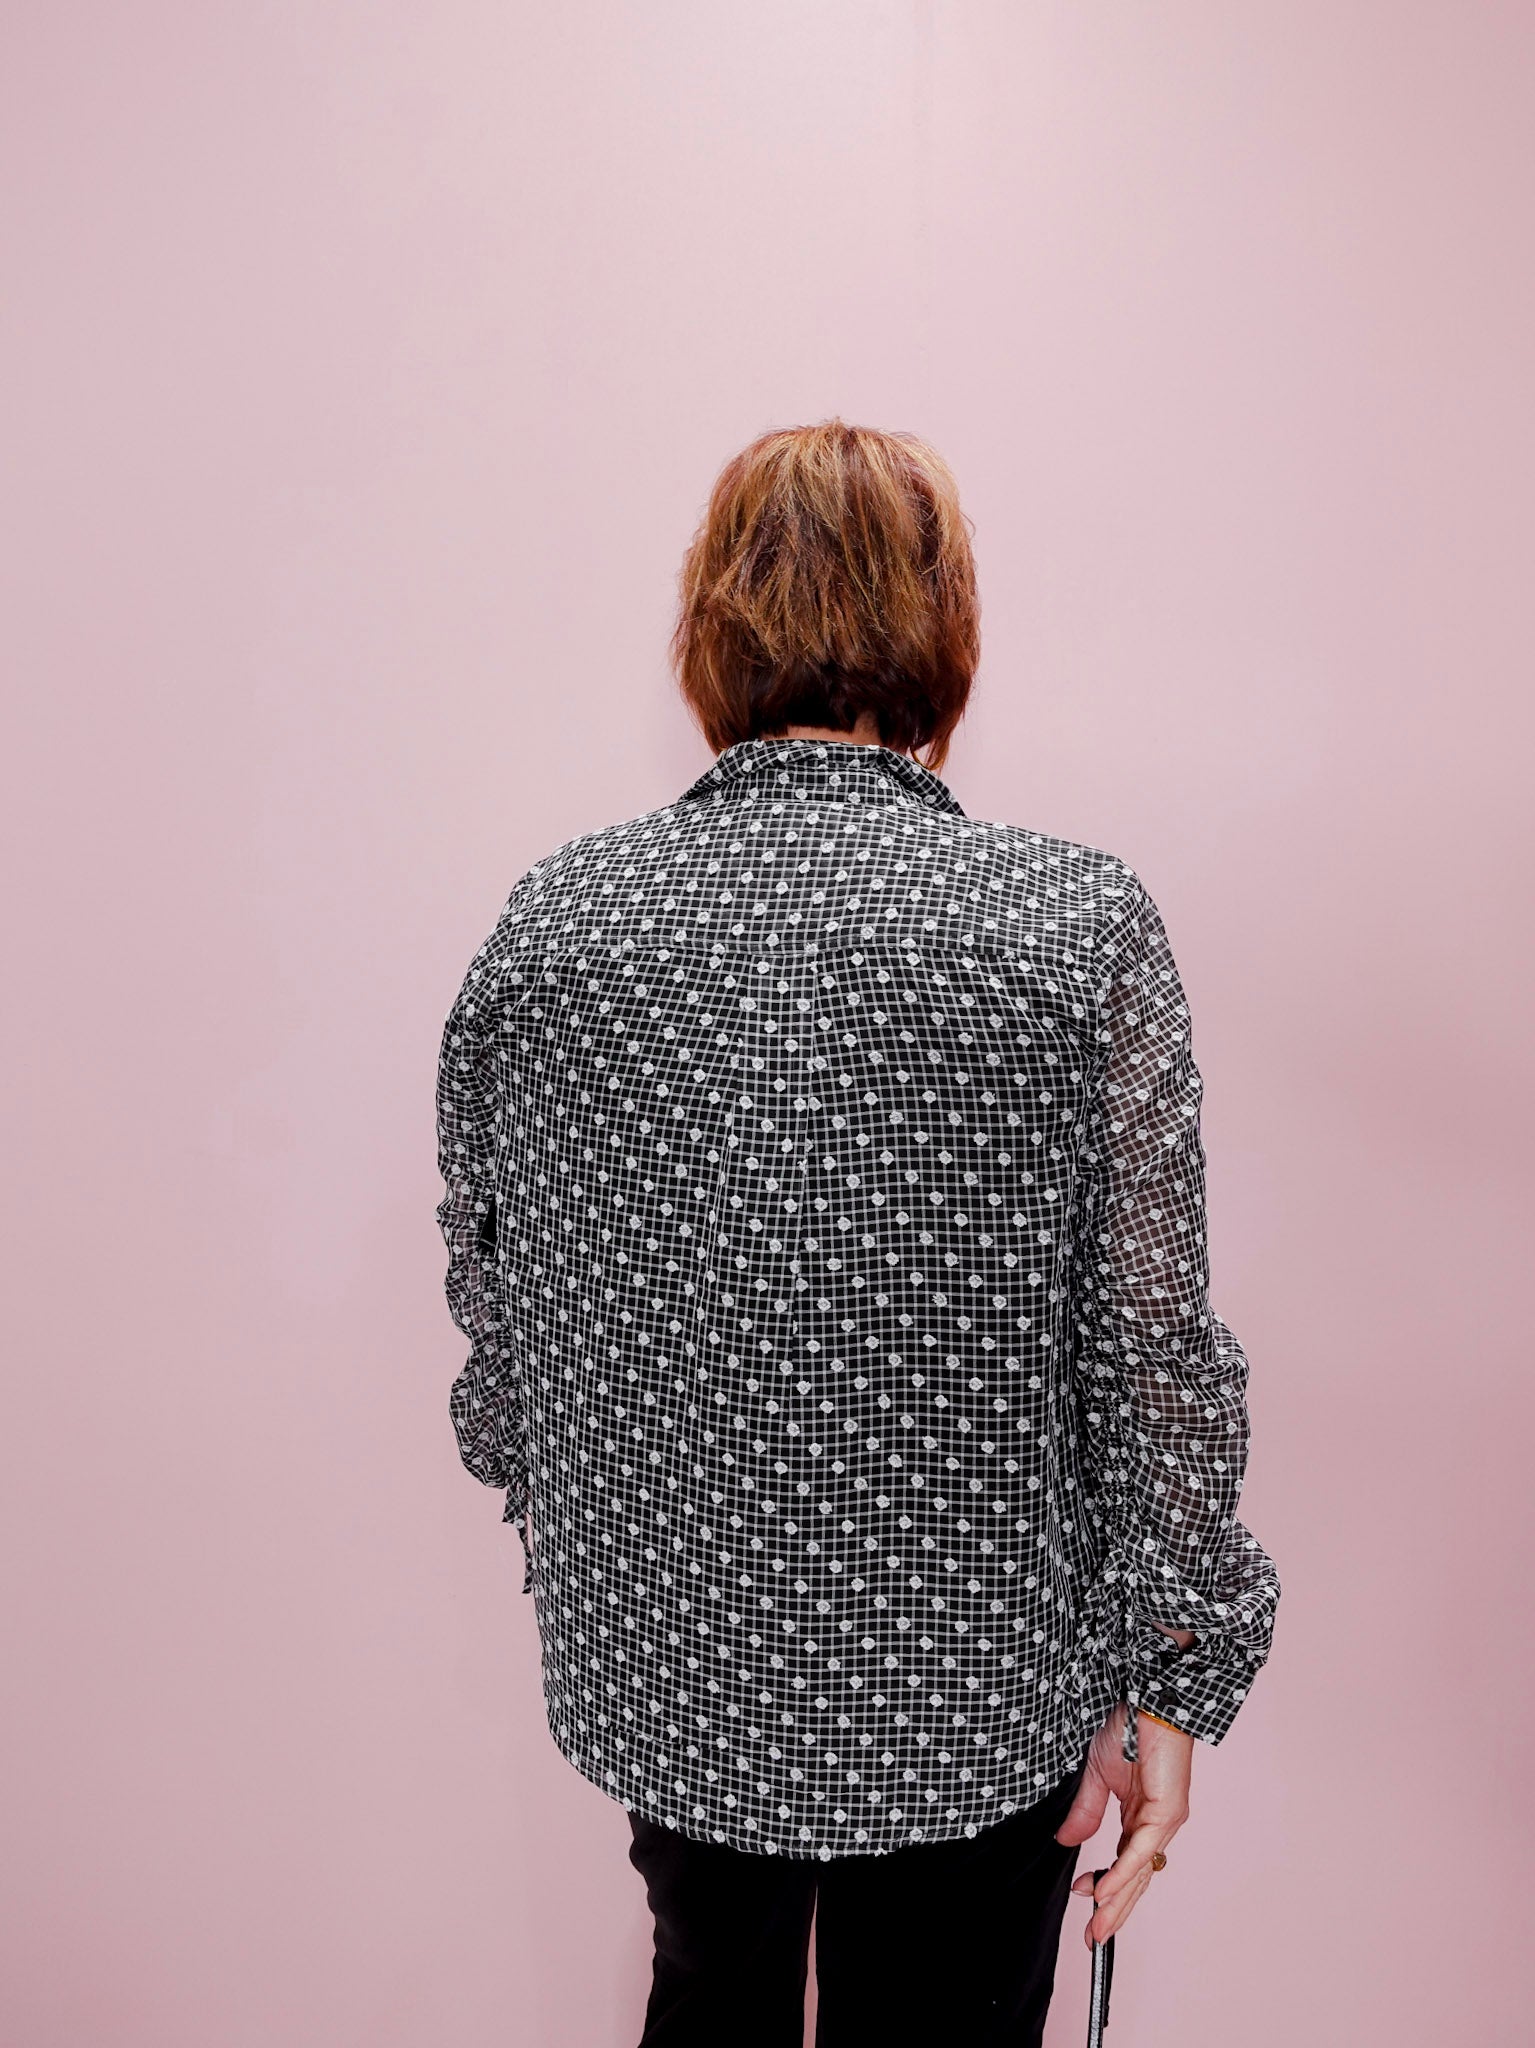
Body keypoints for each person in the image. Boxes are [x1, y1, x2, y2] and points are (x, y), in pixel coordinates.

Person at [434, 419, 1281, 2046]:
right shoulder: (1071, 924)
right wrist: (1174, 1662)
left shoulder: (559, 920)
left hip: (673, 1665)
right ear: (943, 627)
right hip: (986, 1683)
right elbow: (1152, 1341)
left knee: (708, 1995)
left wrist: (619, 1537)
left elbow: (499, 1315)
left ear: (711, 625)